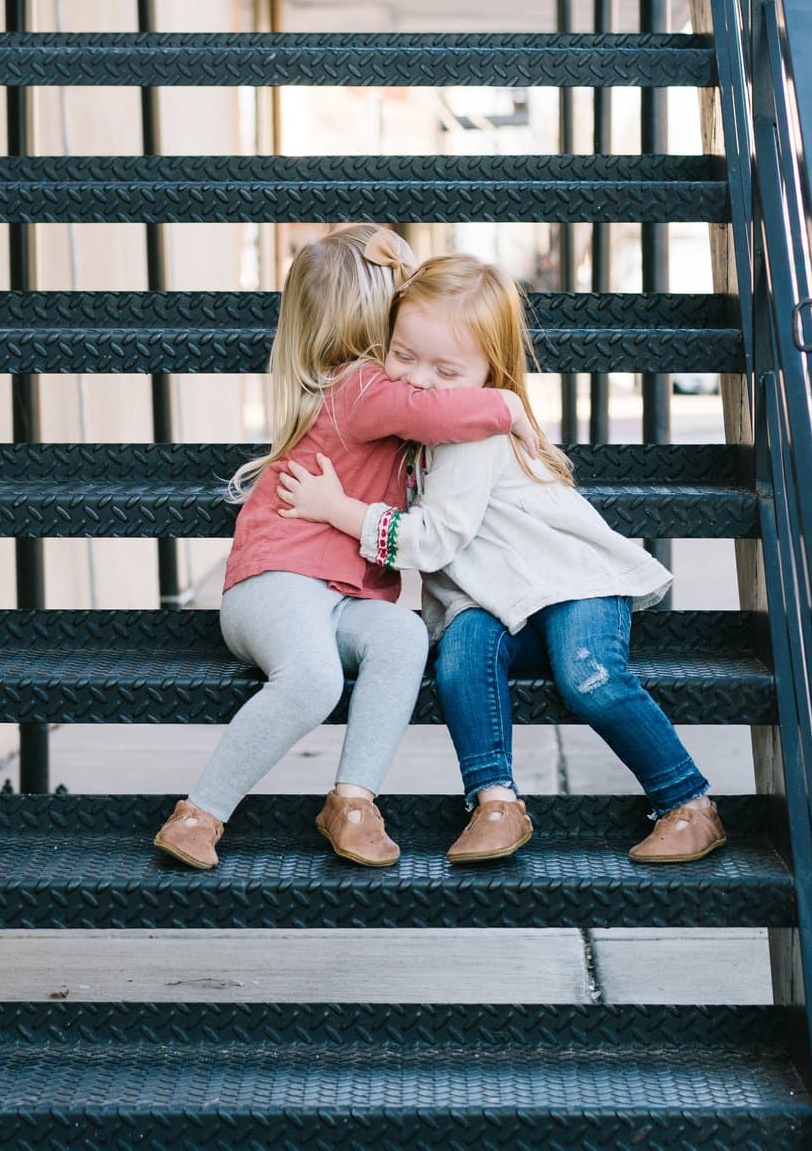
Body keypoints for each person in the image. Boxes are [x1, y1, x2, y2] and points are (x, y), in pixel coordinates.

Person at [279, 252, 726, 866]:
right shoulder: (426, 423)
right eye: (403, 357)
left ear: (491, 374)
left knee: (589, 677)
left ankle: (687, 802)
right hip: (493, 598)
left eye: (446, 369)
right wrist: (408, 263)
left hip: (573, 584)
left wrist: (339, 510)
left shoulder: (471, 435)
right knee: (462, 656)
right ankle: (495, 802)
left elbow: (432, 540)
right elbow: (427, 312)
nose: (419, 382)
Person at [152, 226, 534, 872]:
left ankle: (353, 800)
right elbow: (445, 412)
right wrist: (508, 405)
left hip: (338, 597)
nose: (419, 370)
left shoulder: (373, 387)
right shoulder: (358, 385)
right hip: (277, 582)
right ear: (379, 323)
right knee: (314, 679)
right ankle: (200, 812)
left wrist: (405, 265)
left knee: (403, 637)